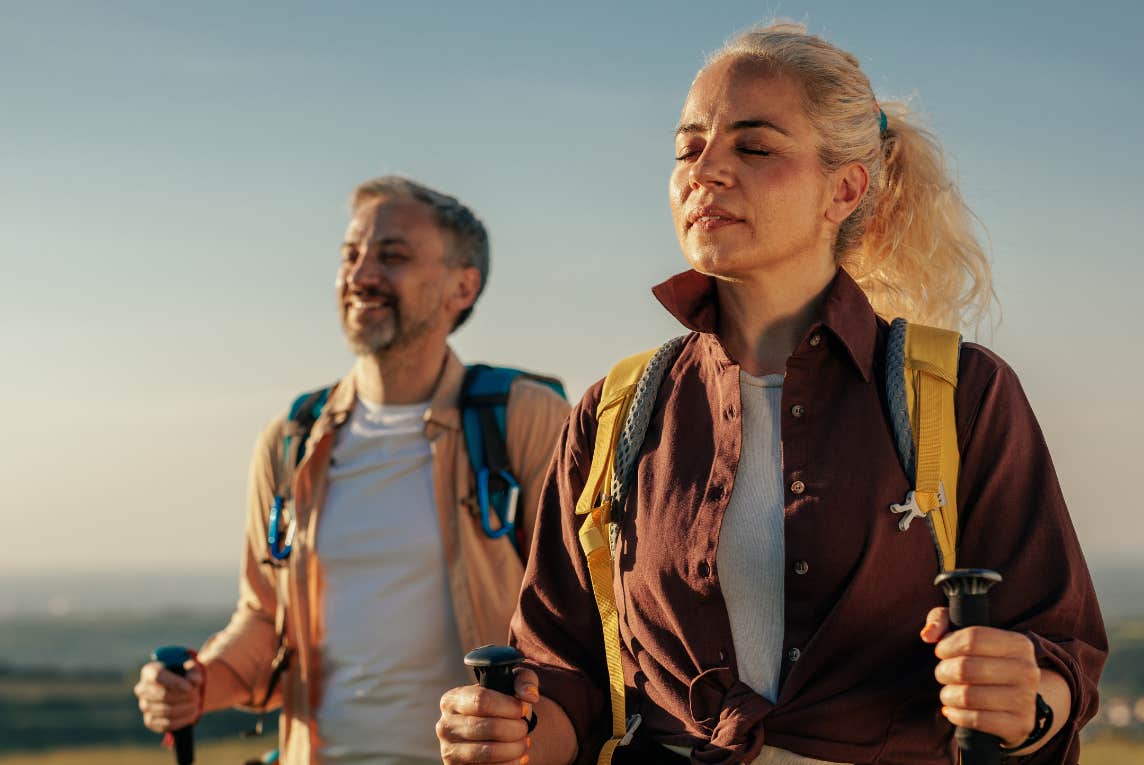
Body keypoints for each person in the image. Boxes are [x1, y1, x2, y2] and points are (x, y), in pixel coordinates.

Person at [436, 23, 1107, 765]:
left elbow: (1059, 651)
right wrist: (514, 733)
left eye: (752, 147)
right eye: (689, 147)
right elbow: (566, 672)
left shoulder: (961, 395)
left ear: (844, 187)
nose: (706, 171)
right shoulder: (614, 412)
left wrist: (1027, 701)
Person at [133, 176, 572, 764]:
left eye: (391, 256)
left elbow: (579, 621)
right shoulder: (291, 441)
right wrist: (198, 684)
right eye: (350, 255)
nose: (360, 275)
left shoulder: (525, 420)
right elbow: (264, 618)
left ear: (462, 287)